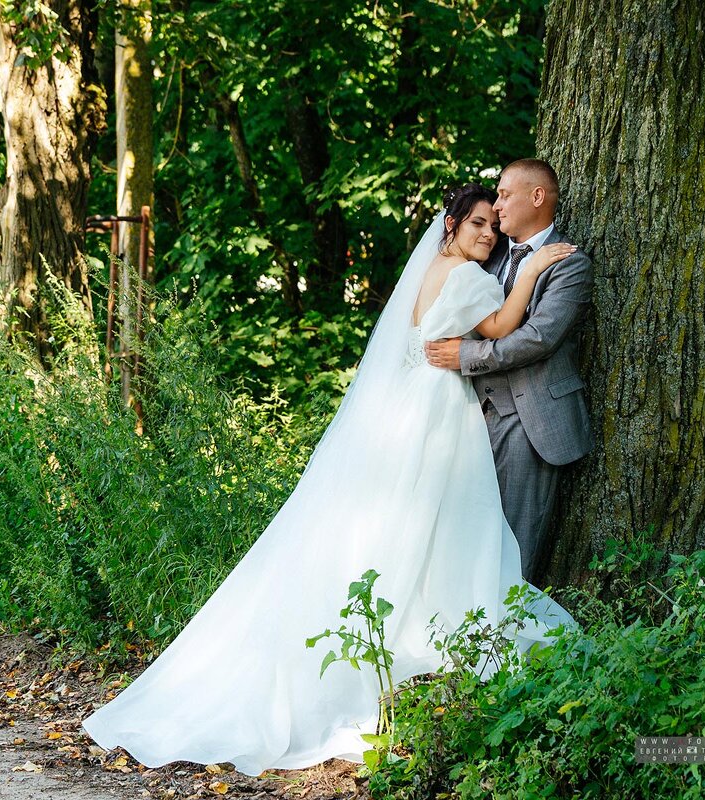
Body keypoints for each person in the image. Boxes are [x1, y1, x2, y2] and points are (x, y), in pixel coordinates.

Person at [82, 184, 578, 777]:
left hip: (410, 406)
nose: (487, 235)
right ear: (450, 225)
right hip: (440, 407)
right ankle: (430, 632)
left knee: (421, 521)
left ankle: (415, 628)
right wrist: (533, 272)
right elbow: (498, 326)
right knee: (445, 521)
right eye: (476, 223)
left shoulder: (434, 268)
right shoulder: (468, 275)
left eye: (491, 227)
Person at [425, 160, 594, 582]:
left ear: (537, 197)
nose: (497, 208)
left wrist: (466, 356)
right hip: (466, 417)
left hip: (530, 419)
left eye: (504, 195)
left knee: (515, 542)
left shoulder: (569, 264)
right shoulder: (487, 249)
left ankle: (505, 640)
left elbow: (537, 338)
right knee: (462, 536)